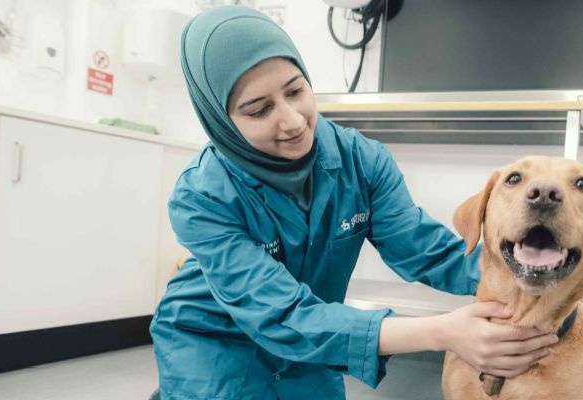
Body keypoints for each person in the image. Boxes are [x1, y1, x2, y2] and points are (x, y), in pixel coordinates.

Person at [150, 5, 558, 399]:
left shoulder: (362, 161)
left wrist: (535, 273)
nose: (292, 120)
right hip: (213, 343)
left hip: (316, 343)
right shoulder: (200, 197)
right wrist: (443, 332)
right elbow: (282, 315)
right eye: (259, 111)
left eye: (296, 91)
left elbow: (424, 249)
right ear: (220, 121)